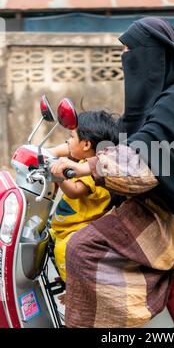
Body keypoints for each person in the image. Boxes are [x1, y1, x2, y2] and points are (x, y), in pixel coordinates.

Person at [51, 17, 174, 328]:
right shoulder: (158, 98)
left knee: (81, 248)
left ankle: (110, 322)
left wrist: (88, 166)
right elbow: (126, 137)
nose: (126, 59)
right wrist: (67, 151)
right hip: (152, 204)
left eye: (131, 51)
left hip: (172, 217)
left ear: (155, 54)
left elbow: (144, 157)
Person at [47, 110, 119, 283]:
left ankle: (74, 287)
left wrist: (58, 175)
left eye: (71, 137)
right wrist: (48, 152)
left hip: (78, 228)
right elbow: (68, 149)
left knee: (63, 249)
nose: (67, 141)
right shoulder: (82, 160)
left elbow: (74, 190)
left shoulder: (93, 171)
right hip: (65, 226)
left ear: (86, 145)